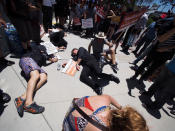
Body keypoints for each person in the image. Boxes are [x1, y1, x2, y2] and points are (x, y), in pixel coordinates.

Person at [14, 45, 58, 117]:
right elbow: (45, 55)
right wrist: (51, 57)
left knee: (44, 77)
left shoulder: (43, 56)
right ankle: (28, 104)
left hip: (35, 65)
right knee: (36, 75)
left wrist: (52, 60)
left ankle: (22, 97)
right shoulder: (36, 48)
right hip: (27, 60)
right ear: (42, 50)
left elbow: (46, 61)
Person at [63, 95, 149, 131]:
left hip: (68, 118)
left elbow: (109, 97)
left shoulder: (104, 100)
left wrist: (121, 108)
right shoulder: (99, 129)